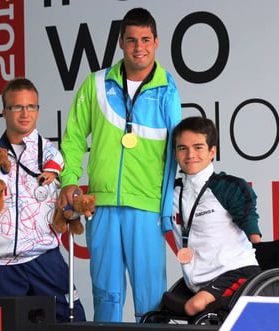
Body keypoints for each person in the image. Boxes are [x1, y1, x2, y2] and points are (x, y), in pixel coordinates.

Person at [57, 8, 182, 322]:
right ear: (121, 43)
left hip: (147, 207)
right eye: (131, 40)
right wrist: (70, 180)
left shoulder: (167, 88)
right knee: (107, 297)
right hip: (102, 206)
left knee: (152, 301)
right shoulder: (96, 84)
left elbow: (176, 154)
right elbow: (72, 138)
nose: (138, 47)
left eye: (145, 40)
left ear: (156, 42)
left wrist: (166, 209)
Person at [0, 77, 86, 323]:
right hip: (0, 263)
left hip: (43, 256)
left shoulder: (52, 153)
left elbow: (68, 192)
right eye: (17, 107)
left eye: (31, 107)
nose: (25, 113)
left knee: (72, 321)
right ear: (4, 112)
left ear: (38, 110)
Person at [169, 116, 262, 316]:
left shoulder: (228, 186)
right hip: (195, 283)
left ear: (212, 151)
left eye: (198, 147)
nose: (190, 154)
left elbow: (249, 220)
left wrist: (258, 242)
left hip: (237, 273)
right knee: (159, 308)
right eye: (182, 148)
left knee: (194, 306)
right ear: (175, 154)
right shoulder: (170, 194)